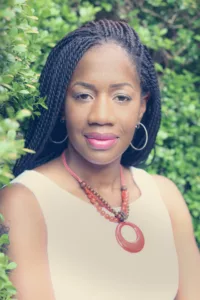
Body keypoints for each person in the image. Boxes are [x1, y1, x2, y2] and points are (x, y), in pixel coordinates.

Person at [0, 19, 199, 300]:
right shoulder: (24, 201)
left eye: (121, 97)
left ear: (142, 106)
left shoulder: (165, 197)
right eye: (83, 96)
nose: (101, 116)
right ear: (61, 105)